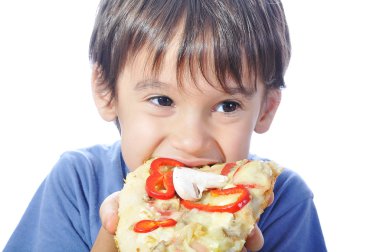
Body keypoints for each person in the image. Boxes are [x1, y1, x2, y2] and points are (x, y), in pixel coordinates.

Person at [5, 0, 327, 251]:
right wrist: (114, 236)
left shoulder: (285, 204)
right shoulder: (77, 184)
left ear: (265, 110)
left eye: (227, 106)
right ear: (107, 92)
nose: (191, 141)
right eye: (162, 100)